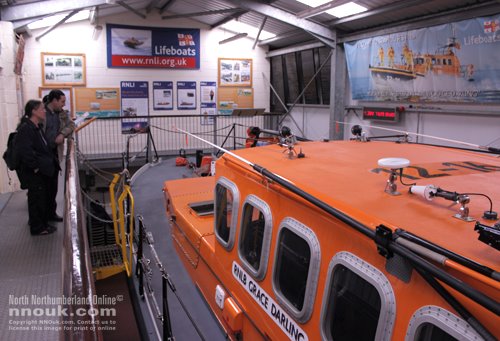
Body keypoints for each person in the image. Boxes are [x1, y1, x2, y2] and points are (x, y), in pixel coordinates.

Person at [15, 100, 59, 235]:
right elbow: (25, 151)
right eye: (41, 109)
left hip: (43, 170)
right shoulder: (26, 129)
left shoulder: (36, 127)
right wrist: (35, 168)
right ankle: (37, 227)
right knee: (36, 199)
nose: (44, 111)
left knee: (42, 198)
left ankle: (43, 224)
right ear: (34, 111)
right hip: (34, 172)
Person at [44, 90, 75, 222]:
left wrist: (62, 134)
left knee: (53, 187)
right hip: (42, 155)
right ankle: (41, 218)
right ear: (54, 100)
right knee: (42, 189)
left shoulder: (61, 114)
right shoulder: (42, 113)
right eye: (62, 102)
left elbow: (71, 125)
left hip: (54, 154)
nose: (63, 105)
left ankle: (51, 214)